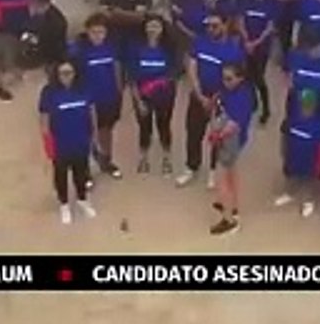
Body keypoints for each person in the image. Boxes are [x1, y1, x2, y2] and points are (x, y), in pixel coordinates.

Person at [178, 10, 245, 189]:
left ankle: (214, 171)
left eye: (215, 26)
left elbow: (233, 79)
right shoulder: (200, 42)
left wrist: (215, 99)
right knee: (193, 132)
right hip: (199, 96)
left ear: (225, 25)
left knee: (217, 137)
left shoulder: (233, 50)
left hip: (221, 101)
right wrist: (199, 94)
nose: (210, 29)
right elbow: (192, 66)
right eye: (208, 26)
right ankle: (191, 167)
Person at [39, 60, 99, 224]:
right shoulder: (49, 92)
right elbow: (44, 119)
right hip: (60, 143)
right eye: (62, 73)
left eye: (69, 73)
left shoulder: (84, 89)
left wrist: (94, 136)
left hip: (81, 140)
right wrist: (48, 144)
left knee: (81, 172)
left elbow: (92, 112)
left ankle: (82, 200)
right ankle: (64, 204)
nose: (66, 77)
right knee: (61, 175)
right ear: (56, 75)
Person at [70, 13, 125, 178]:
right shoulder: (79, 51)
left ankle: (106, 161)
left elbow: (116, 70)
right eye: (94, 32)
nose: (98, 36)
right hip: (88, 101)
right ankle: (85, 170)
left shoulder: (111, 48)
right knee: (86, 133)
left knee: (106, 130)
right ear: (87, 31)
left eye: (101, 32)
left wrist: (119, 91)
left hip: (109, 98)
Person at [128, 14, 180, 174]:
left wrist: (167, 89)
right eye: (150, 25)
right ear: (144, 27)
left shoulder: (169, 49)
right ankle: (143, 158)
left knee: (164, 127)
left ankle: (166, 158)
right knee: (144, 128)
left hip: (164, 97)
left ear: (162, 29)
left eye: (156, 26)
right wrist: (138, 101)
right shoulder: (136, 48)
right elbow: (132, 79)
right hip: (143, 96)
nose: (153, 29)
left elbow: (173, 76)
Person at [208, 62, 255, 235]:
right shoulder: (230, 91)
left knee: (221, 178)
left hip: (230, 142)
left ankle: (228, 220)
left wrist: (216, 136)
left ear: (240, 78)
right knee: (232, 174)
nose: (225, 82)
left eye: (229, 78)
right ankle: (234, 207)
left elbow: (234, 124)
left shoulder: (241, 98)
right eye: (223, 78)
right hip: (228, 140)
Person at [275, 80, 320, 218]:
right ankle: (289, 193)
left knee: (309, 181)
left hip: (310, 158)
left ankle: (308, 201)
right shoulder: (292, 118)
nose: (305, 107)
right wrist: (283, 151)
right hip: (293, 154)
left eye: (308, 104)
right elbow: (285, 135)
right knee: (290, 176)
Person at [240, 0, 277, 125]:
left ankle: (266, 109)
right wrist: (247, 40)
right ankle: (252, 103)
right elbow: (241, 21)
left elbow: (270, 27)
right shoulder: (247, 3)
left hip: (262, 47)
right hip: (247, 45)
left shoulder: (269, 5)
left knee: (259, 78)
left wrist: (256, 42)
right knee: (247, 77)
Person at [22, 0, 69, 70]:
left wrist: (32, 41)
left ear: (43, 4)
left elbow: (47, 43)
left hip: (53, 58)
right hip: (44, 52)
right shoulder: (42, 15)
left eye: (35, 4)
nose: (33, 6)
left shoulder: (55, 21)